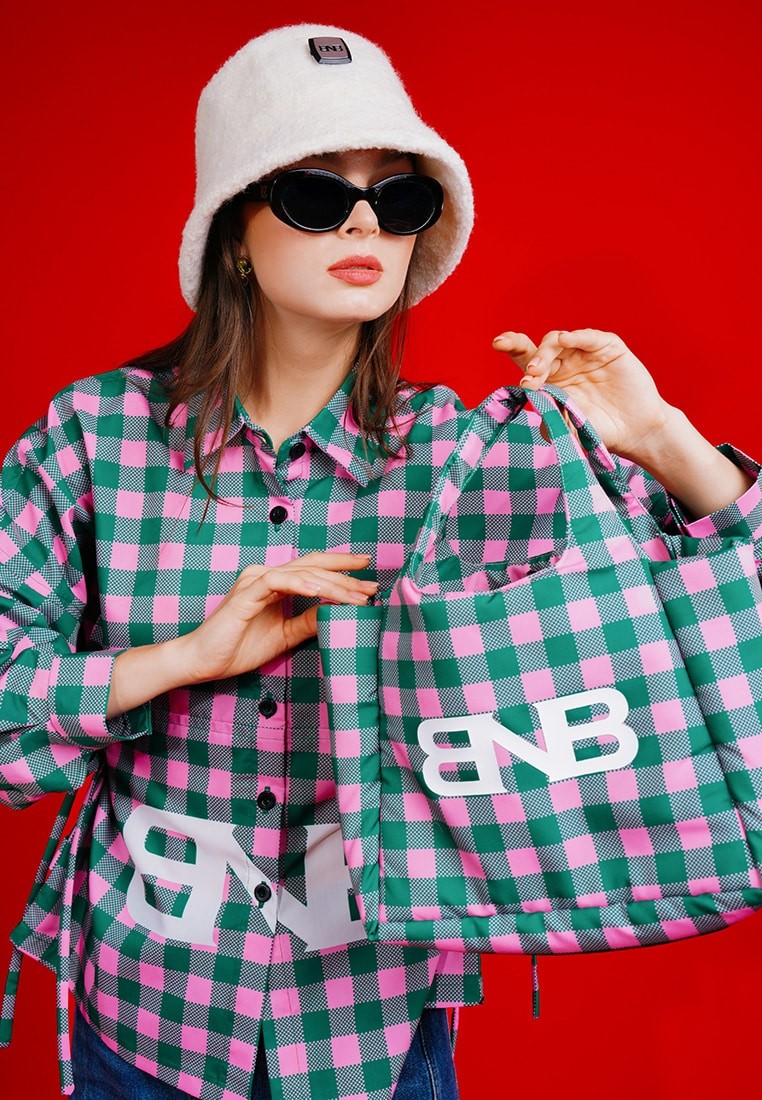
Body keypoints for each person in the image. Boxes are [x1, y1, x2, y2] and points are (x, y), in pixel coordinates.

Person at [0, 21, 759, 1100]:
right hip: (144, 1014)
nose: (363, 221)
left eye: (398, 199)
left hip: (374, 1031)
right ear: (233, 232)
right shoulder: (95, 439)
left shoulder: (468, 458)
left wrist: (661, 436)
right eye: (316, 193)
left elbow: (718, 629)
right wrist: (184, 658)